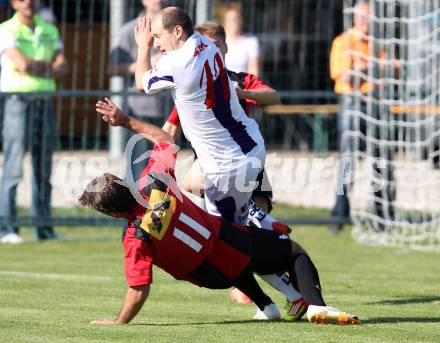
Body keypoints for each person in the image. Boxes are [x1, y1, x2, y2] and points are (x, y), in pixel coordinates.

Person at [83, 97, 359, 325]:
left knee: (232, 251)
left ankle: (267, 306)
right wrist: (125, 121)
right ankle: (315, 306)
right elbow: (165, 140)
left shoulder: (134, 237)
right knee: (291, 250)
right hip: (230, 246)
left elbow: (138, 288)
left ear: (113, 214)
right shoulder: (156, 184)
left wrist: (119, 322)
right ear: (125, 184)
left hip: (210, 278)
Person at [133, 7, 304, 317]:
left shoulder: (177, 63)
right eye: (153, 37)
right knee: (190, 183)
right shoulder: (206, 45)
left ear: (177, 32)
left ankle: (288, 292)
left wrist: (142, 46)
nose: (156, 42)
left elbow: (140, 81)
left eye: (158, 36)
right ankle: (254, 214)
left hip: (226, 167)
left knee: (227, 246)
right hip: (250, 147)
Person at [163, 21, 280, 213]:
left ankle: (248, 218)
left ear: (225, 48)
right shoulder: (192, 88)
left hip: (245, 155)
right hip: (213, 158)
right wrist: (160, 169)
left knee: (261, 225)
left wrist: (244, 94)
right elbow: (170, 129)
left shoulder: (240, 80)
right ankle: (236, 215)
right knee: (193, 183)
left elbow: (273, 96)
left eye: (216, 45)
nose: (211, 50)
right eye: (206, 45)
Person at [0, 0, 67, 243]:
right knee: (13, 167)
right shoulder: (6, 29)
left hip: (44, 101)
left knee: (43, 168)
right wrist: (46, 67)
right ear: (14, 3)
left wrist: (36, 68)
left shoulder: (49, 28)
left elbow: (63, 66)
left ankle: (44, 228)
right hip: (18, 101)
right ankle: (7, 228)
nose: (28, 2)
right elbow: (23, 64)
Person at [329, 0, 395, 233]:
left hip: (375, 105)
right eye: (364, 17)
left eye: (370, 18)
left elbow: (392, 69)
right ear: (356, 18)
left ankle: (382, 215)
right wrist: (371, 67)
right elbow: (344, 76)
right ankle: (339, 214)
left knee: (381, 160)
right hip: (352, 103)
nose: (367, 22)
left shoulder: (378, 44)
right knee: (348, 161)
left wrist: (361, 65)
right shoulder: (343, 42)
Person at [108, 0, 166, 183]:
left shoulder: (173, 28)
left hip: (166, 109)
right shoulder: (129, 29)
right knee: (138, 172)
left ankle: (158, 212)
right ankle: (134, 212)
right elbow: (112, 68)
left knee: (162, 173)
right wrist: (144, 64)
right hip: (137, 110)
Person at [223, 3, 260, 76]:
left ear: (242, 21)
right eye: (229, 20)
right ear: (224, 22)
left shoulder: (251, 41)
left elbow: (253, 69)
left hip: (243, 84)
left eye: (236, 19)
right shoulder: (218, 41)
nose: (233, 23)